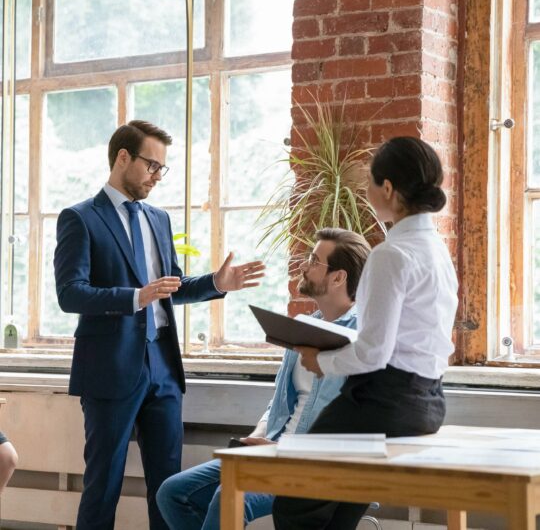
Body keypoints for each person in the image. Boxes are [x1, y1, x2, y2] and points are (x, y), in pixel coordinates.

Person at [54, 120, 265, 530]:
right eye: (151, 165)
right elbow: (71, 294)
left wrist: (216, 284)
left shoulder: (158, 219)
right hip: (109, 368)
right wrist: (136, 297)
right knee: (103, 484)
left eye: (161, 168)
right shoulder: (80, 218)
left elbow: (171, 286)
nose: (157, 176)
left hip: (163, 366)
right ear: (122, 158)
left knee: (168, 486)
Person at [272, 136, 459, 530]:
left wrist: (319, 360)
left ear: (387, 188)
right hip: (428, 402)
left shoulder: (390, 255)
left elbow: (374, 353)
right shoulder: (437, 250)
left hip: (382, 403)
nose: (366, 191)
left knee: (293, 501)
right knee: (338, 508)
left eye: (370, 183)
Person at [156, 228, 371, 530]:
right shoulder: (303, 327)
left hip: (314, 462)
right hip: (272, 449)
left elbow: (361, 417)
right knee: (172, 493)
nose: (302, 266)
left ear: (338, 278)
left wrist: (285, 449)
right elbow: (280, 401)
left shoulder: (365, 337)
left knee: (230, 496)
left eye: (314, 260)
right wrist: (259, 437)